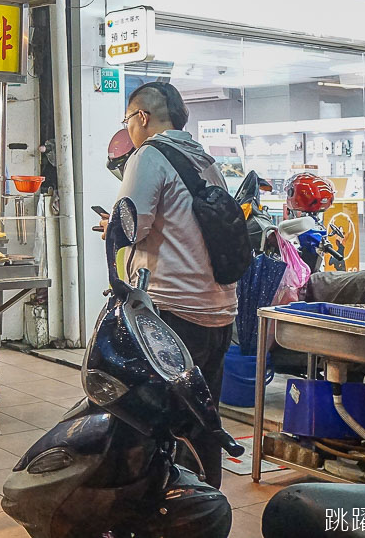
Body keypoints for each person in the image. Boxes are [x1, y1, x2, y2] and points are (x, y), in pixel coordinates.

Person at [98, 81, 236, 488]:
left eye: (129, 120)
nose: (130, 129)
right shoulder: (203, 160)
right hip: (218, 311)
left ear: (141, 117)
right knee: (204, 420)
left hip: (175, 312)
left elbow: (131, 226)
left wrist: (111, 227)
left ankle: (164, 509)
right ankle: (206, 508)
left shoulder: (149, 155)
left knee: (156, 423)